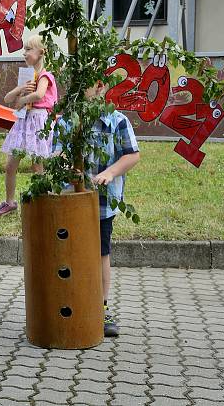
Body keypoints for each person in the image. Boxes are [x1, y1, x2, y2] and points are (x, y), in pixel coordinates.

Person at [52, 80, 140, 337]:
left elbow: (132, 154)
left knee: (100, 252)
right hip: (70, 200)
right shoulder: (68, 121)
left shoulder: (118, 120)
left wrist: (110, 173)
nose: (81, 90)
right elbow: (58, 153)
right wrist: (67, 168)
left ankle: (100, 308)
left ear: (101, 87)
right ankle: (68, 304)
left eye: (87, 84)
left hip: (101, 203)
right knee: (68, 251)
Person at [0, 35, 58, 217]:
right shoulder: (28, 77)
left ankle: (43, 200)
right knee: (11, 164)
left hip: (38, 122)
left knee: (37, 165)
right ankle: (10, 202)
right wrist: (20, 91)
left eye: (29, 49)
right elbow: (6, 99)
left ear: (41, 52)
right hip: (24, 122)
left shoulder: (45, 75)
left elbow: (39, 95)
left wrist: (22, 100)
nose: (24, 53)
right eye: (25, 49)